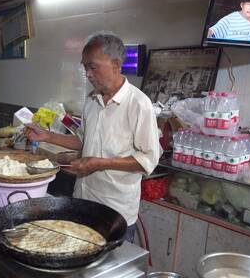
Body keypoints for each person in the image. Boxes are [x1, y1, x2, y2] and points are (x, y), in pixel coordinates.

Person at [25, 32, 162, 243]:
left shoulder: (138, 104)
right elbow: (83, 140)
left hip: (114, 212)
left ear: (116, 64)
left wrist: (99, 163)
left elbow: (148, 160)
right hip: (83, 202)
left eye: (93, 66)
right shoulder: (91, 100)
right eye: (84, 67)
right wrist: (47, 136)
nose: (87, 74)